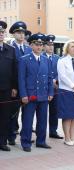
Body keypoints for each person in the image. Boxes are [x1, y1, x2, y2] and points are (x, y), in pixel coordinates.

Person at [19, 33, 54, 152]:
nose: (39, 47)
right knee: (28, 120)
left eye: (41, 44)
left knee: (43, 120)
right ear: (31, 45)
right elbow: (21, 79)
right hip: (30, 95)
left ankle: (41, 141)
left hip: (43, 95)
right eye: (36, 44)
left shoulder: (46, 59)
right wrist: (23, 95)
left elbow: (50, 78)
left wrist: (51, 92)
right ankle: (26, 142)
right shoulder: (24, 59)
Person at [8, 21, 32, 145]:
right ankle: (11, 136)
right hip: (15, 87)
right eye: (18, 32)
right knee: (13, 113)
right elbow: (9, 70)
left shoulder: (28, 49)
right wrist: (13, 86)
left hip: (28, 87)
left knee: (27, 113)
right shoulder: (9, 48)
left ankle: (25, 135)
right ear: (13, 34)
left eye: (23, 32)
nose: (21, 35)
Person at [0, 21, 18, 151]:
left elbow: (14, 70)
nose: (0, 34)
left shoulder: (11, 50)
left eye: (2, 32)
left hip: (6, 90)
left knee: (5, 117)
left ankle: (2, 142)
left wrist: (14, 87)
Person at [43, 34, 63, 139]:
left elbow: (60, 72)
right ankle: (40, 131)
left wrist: (56, 79)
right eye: (48, 44)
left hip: (55, 89)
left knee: (54, 111)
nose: (51, 47)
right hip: (44, 88)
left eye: (52, 44)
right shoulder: (41, 57)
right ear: (44, 46)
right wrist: (51, 81)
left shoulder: (57, 58)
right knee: (42, 112)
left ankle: (53, 131)